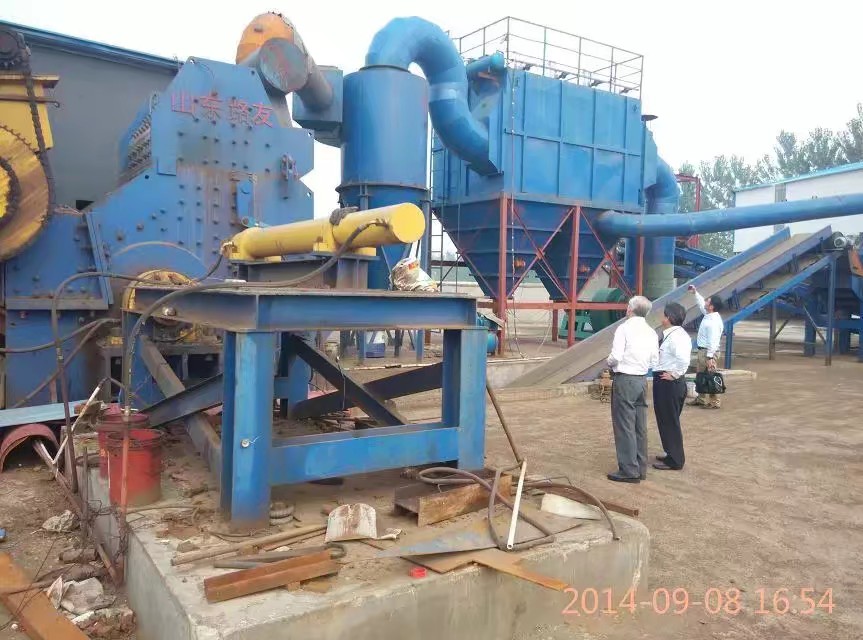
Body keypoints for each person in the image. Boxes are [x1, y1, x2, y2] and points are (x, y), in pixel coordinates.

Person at [605, 296, 658, 483]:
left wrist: (608, 362)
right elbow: (654, 360)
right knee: (639, 425)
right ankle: (640, 467)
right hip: (641, 380)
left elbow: (616, 356)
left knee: (624, 425)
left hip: (625, 379)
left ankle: (629, 469)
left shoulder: (624, 328)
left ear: (630, 309)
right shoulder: (651, 332)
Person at [652, 302, 692, 471]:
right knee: (666, 419)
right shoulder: (673, 334)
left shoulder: (677, 337)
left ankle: (676, 459)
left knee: (670, 421)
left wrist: (675, 374)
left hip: (669, 383)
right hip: (666, 381)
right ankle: (671, 453)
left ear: (668, 317)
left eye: (664, 314)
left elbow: (683, 359)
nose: (662, 317)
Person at [688, 284, 724, 408]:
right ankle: (701, 398)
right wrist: (695, 293)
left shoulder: (713, 321)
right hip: (704, 351)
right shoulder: (709, 315)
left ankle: (715, 402)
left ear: (711, 306)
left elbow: (713, 341)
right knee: (702, 376)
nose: (705, 302)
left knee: (711, 375)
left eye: (708, 301)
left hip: (708, 352)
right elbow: (701, 304)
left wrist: (710, 357)